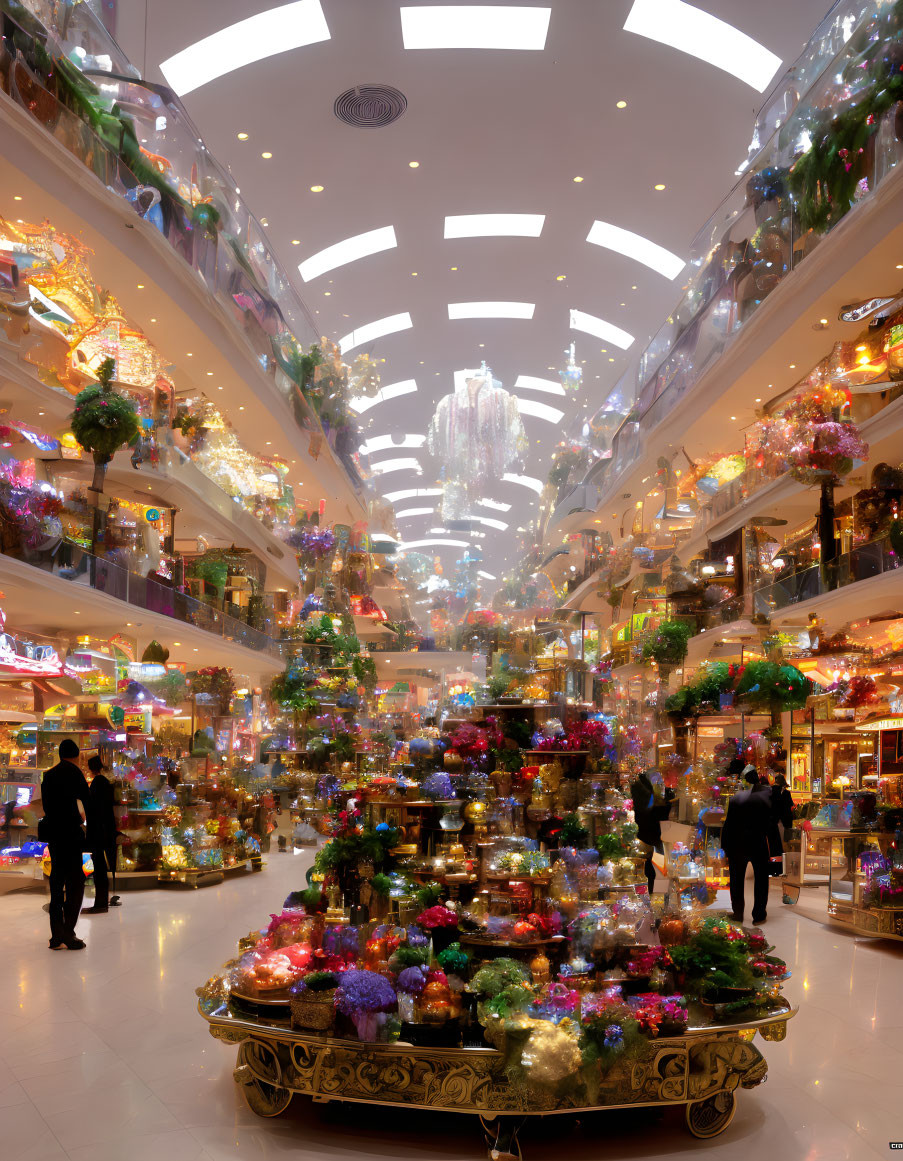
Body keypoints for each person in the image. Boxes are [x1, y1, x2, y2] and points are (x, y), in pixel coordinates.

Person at [40, 739, 89, 950]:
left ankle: (55, 934)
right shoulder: (75, 773)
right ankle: (69, 932)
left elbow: (46, 806)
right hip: (71, 835)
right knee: (75, 884)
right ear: (76, 755)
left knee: (56, 884)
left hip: (54, 835)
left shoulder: (48, 776)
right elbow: (87, 800)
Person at [721, 767, 773, 924]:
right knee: (761, 880)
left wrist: (725, 847)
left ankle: (737, 913)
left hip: (738, 844)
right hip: (759, 843)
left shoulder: (737, 798)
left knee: (736, 881)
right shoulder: (766, 798)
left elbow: (729, 824)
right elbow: (770, 824)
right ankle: (759, 914)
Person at [83, 756, 120, 914]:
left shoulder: (97, 783)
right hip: (106, 830)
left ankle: (100, 903)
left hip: (98, 831)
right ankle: (101, 901)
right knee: (101, 867)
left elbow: (93, 808)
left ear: (91, 768)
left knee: (98, 867)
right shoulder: (105, 783)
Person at [630, 769, 675, 895]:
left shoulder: (641, 803)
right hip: (656, 844)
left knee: (652, 877)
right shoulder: (656, 805)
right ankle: (660, 899)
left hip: (648, 844)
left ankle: (657, 897)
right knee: (659, 878)